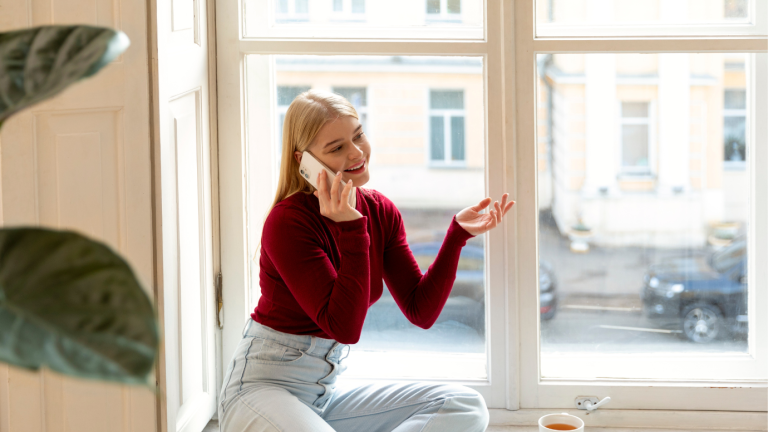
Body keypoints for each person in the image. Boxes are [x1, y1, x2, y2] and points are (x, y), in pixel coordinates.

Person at [218, 90, 514, 432]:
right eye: (337, 147)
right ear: (305, 162)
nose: (357, 152)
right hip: (261, 391)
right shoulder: (288, 222)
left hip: (322, 398)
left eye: (358, 135)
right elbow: (344, 327)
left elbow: (421, 310)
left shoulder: (380, 211)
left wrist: (456, 236)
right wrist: (352, 227)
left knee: (464, 406)